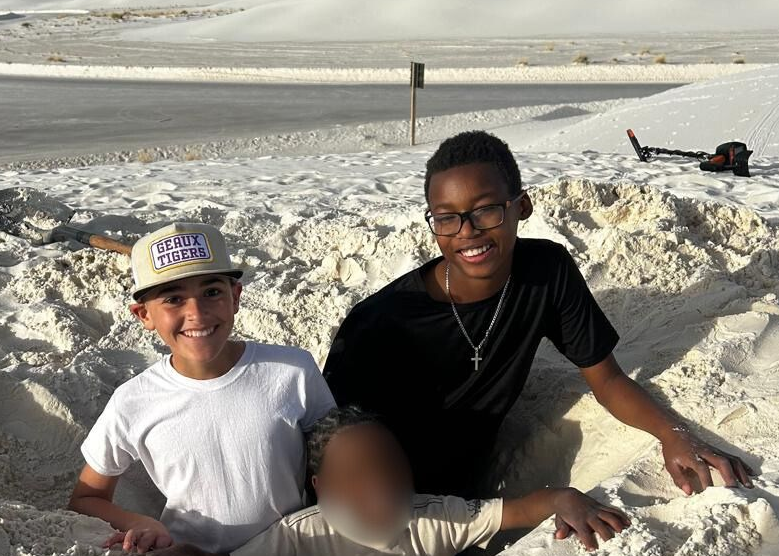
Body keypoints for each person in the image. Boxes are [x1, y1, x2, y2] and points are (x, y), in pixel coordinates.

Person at [322, 130, 754, 522]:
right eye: (446, 217)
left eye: (486, 210)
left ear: (521, 206)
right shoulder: (380, 323)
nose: (467, 232)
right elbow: (331, 448)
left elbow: (606, 380)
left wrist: (672, 435)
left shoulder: (546, 272)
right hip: (389, 509)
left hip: (471, 501)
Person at [120, 407, 630, 556]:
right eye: (357, 476)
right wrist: (187, 554)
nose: (381, 485)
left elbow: (516, 509)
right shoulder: (301, 536)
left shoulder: (437, 516)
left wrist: (563, 496)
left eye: (391, 467)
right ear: (321, 488)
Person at [69, 222, 336, 556]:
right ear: (143, 314)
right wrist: (142, 522)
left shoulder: (291, 370)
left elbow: (337, 461)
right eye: (173, 299)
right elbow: (86, 498)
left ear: (236, 296)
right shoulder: (133, 400)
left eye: (211, 292)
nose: (196, 314)